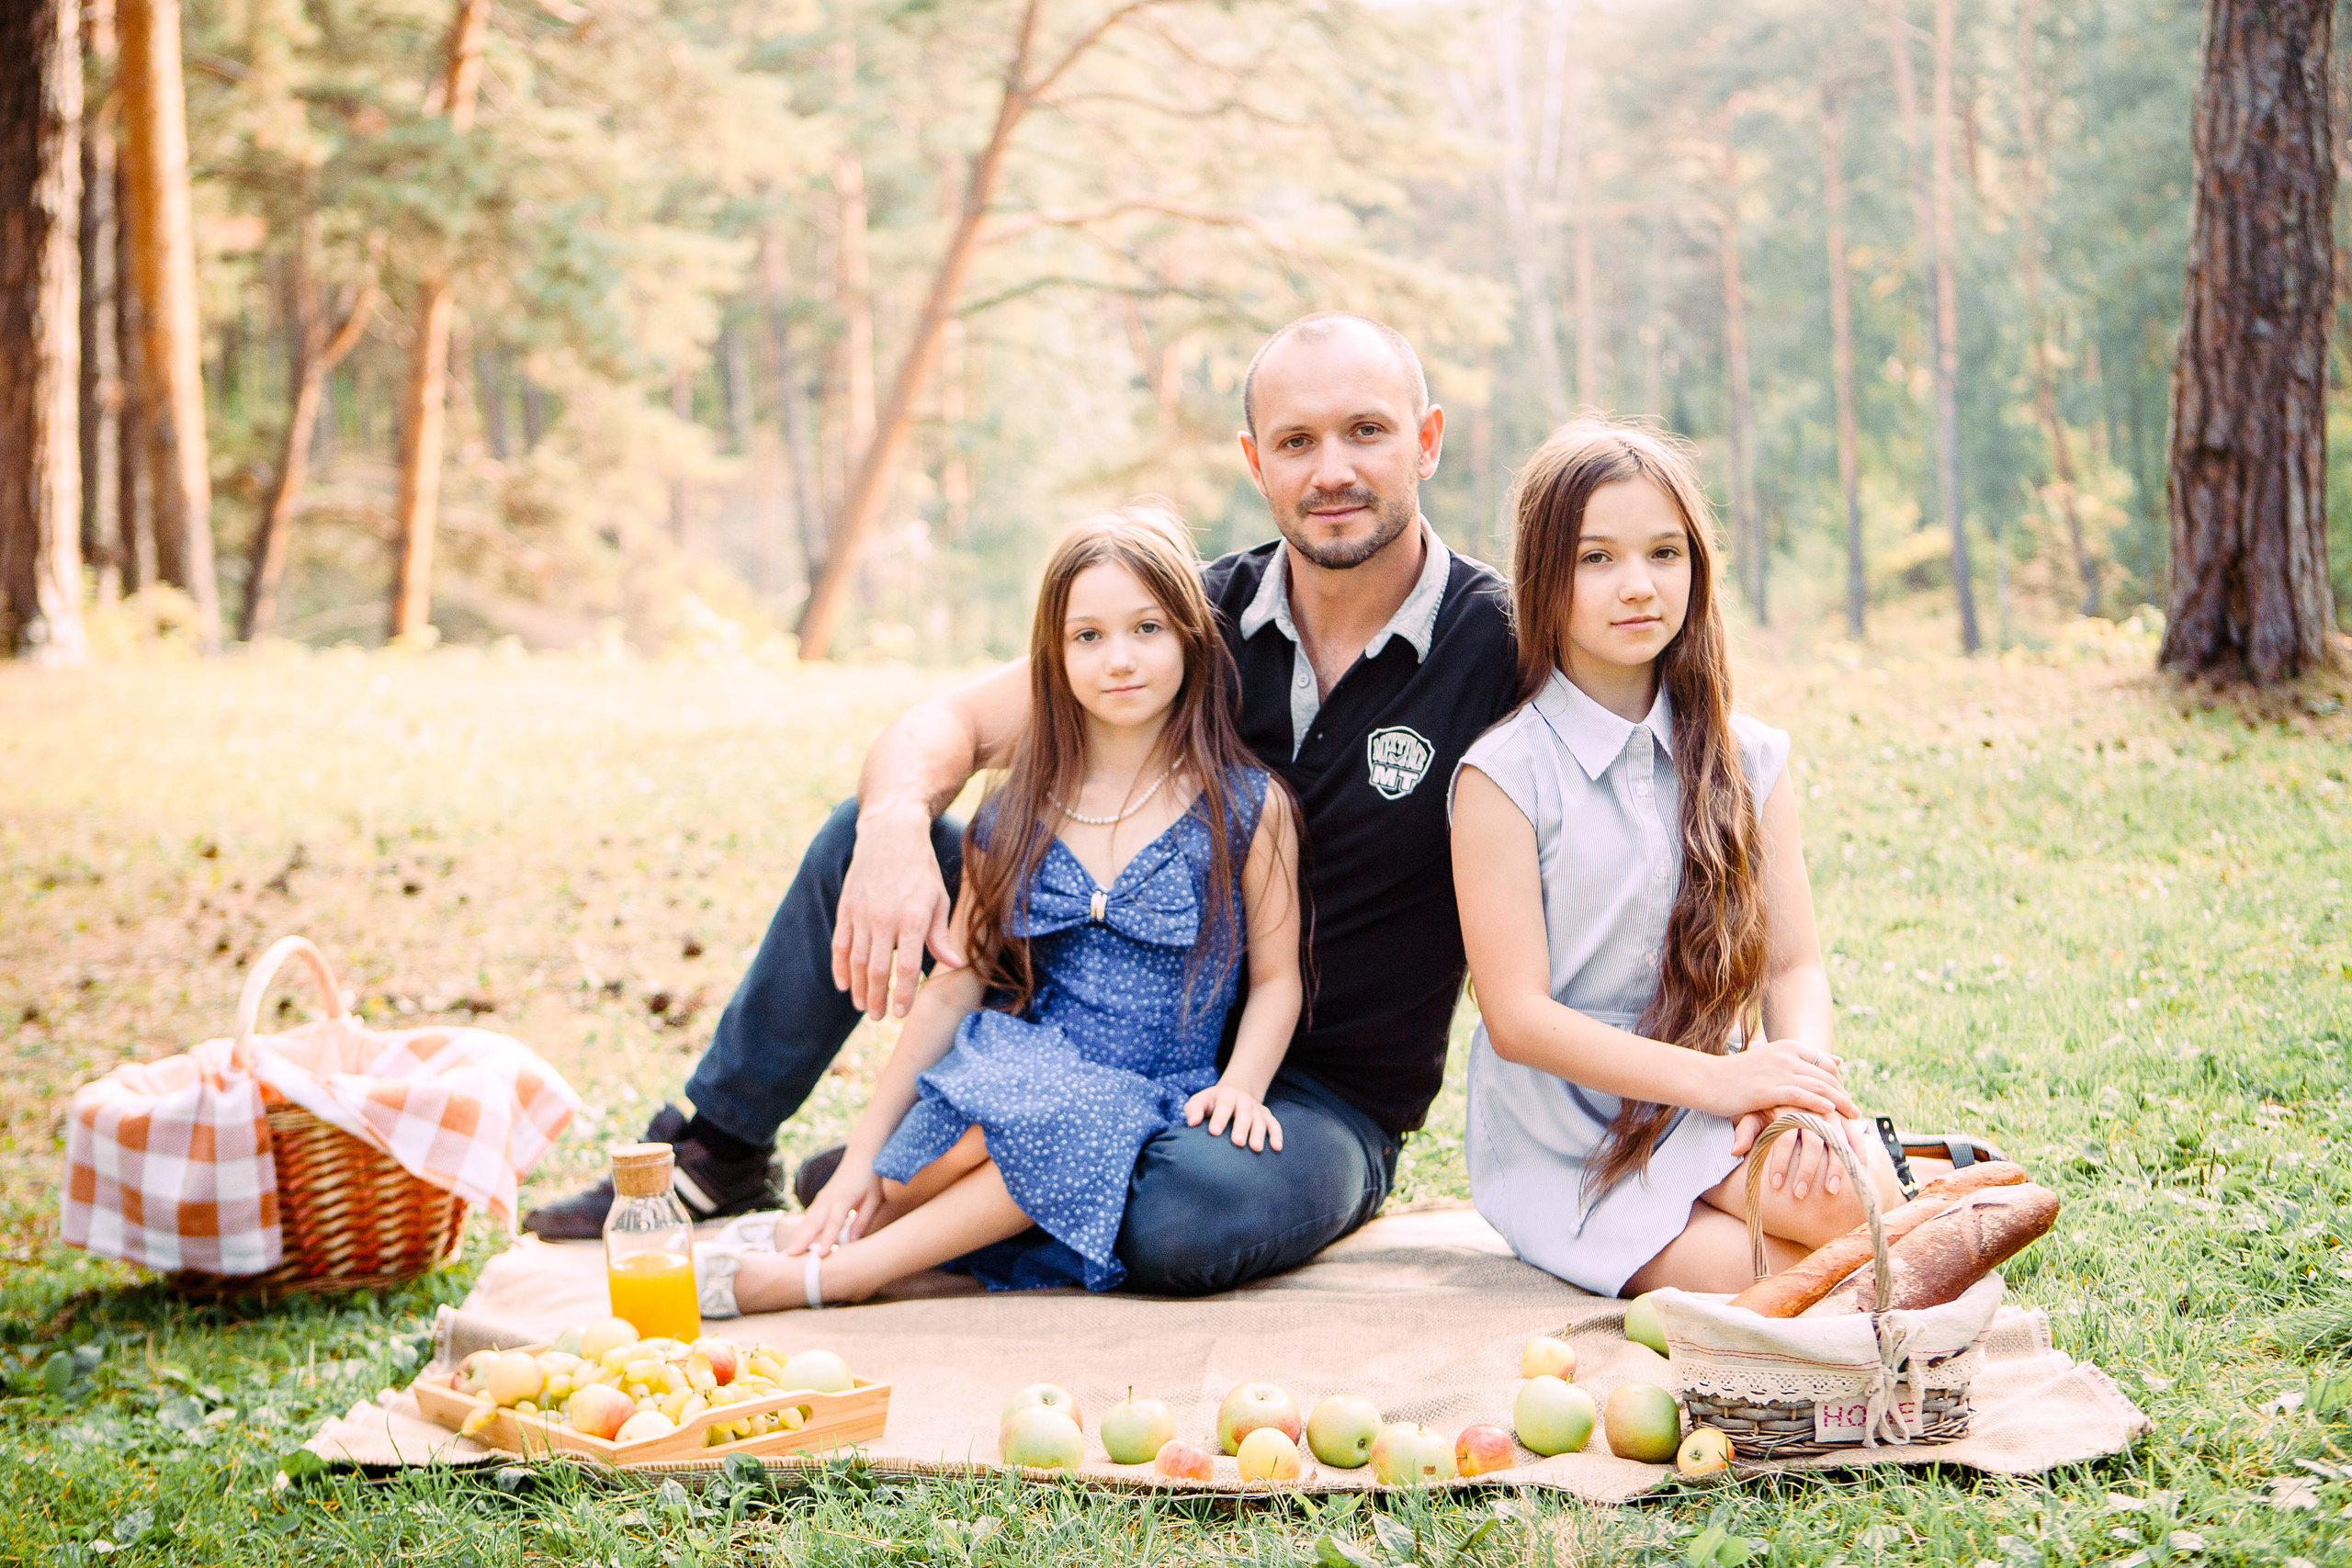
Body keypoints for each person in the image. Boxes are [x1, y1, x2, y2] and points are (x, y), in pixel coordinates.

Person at [525, 310, 1520, 1295]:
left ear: (1425, 441)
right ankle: (724, 1149)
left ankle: (933, 1181)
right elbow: (944, 725)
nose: (1331, 471)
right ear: (1256, 464)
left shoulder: (1505, 645)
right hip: (1090, 1017)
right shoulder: (1184, 616)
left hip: (1302, 1093)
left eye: (1366, 431)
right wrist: (891, 829)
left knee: (1189, 1221)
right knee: (860, 838)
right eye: (1297, 442)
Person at [695, 507, 1301, 1312]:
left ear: (1192, 637)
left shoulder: (1245, 809)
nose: (1118, 659)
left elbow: (1276, 979)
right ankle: (835, 1228)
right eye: (1087, 636)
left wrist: (1244, 1085)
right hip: (1016, 1067)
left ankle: (835, 1274)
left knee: (1071, 1118)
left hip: (1141, 1089)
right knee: (990, 1104)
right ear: (1052, 654)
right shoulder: (1016, 809)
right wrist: (859, 1155)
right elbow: (952, 986)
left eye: (1146, 628)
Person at [1450, 420, 1950, 1298]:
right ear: (1543, 576)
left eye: (1664, 552)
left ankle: (1901, 1178)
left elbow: (1794, 964)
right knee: (1814, 1279)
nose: (1638, 585)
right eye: (1595, 557)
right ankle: (1925, 1193)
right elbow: (1517, 1019)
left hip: (1714, 1097)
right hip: (1570, 1134)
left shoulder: (1747, 756)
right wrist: (1730, 1082)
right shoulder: (1505, 775)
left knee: (1857, 1204)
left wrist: (1795, 1091)